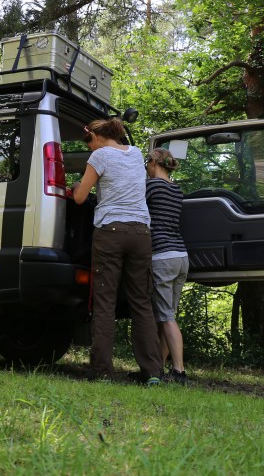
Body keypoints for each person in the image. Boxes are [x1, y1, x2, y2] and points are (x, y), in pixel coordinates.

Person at [70, 118, 163, 385]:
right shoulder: (135, 153)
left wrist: (78, 185)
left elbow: (79, 197)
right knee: (142, 303)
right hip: (141, 232)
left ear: (96, 137)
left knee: (105, 303)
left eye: (87, 141)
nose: (88, 147)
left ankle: (102, 372)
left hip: (110, 232)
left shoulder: (99, 156)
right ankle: (153, 372)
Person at [145, 147, 190, 385]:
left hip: (162, 256)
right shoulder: (176, 189)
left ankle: (179, 370)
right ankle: (158, 369)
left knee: (166, 317)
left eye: (147, 164)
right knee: (167, 315)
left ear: (153, 162)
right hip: (181, 256)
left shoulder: (151, 186)